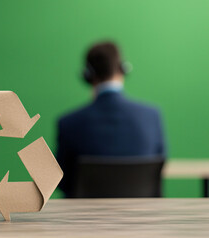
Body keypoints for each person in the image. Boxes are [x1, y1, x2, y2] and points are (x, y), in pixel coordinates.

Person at [57, 41, 166, 198]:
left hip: (86, 220)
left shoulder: (68, 123)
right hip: (141, 218)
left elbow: (62, 182)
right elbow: (158, 170)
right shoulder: (152, 116)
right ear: (123, 69)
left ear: (87, 75)